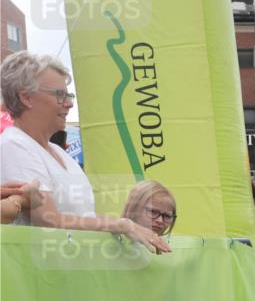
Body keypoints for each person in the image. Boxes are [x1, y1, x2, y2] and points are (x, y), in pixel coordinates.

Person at [0, 51, 169, 253]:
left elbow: (84, 218)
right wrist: (121, 225)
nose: (70, 103)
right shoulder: (14, 145)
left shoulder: (58, 152)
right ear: (26, 97)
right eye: (59, 95)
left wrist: (127, 226)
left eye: (68, 95)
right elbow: (48, 222)